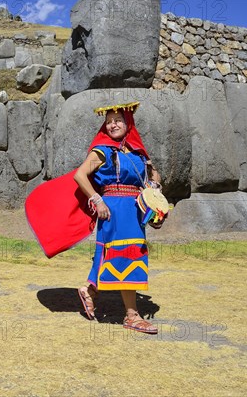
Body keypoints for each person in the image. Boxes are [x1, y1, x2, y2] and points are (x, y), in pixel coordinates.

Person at [73, 101, 162, 334]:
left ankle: (90, 291)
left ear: (128, 122)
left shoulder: (137, 152)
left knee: (117, 254)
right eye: (109, 121)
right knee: (125, 254)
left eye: (118, 120)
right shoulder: (102, 150)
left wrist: (155, 193)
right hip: (113, 208)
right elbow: (80, 175)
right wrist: (97, 199)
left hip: (135, 210)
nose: (113, 125)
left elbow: (154, 177)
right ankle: (132, 315)